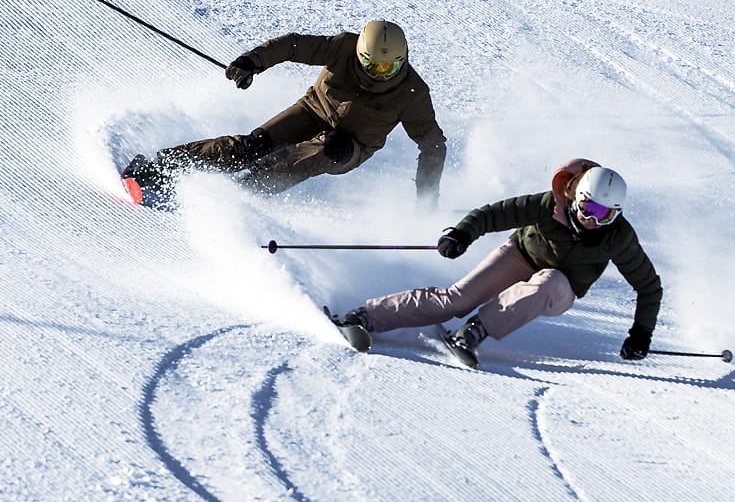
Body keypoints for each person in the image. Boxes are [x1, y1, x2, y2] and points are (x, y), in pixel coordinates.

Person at [336, 159, 663, 365]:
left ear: (616, 214)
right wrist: (462, 233)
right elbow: (494, 214)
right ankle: (365, 316)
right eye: (588, 208)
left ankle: (473, 333)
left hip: (559, 288)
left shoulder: (619, 237)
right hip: (520, 255)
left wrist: (640, 334)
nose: (592, 219)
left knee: (548, 281)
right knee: (456, 299)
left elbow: (648, 287)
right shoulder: (550, 204)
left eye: (604, 214)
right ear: (576, 197)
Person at [121, 21, 447, 209]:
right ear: (360, 54)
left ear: (402, 60)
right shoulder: (342, 47)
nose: (380, 74)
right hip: (312, 111)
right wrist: (252, 62)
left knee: (313, 155)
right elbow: (293, 46)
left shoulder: (412, 93)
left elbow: (432, 145)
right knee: (249, 148)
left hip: (352, 146)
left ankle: (235, 199)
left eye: (389, 67)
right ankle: (160, 167)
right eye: (372, 65)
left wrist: (426, 197)